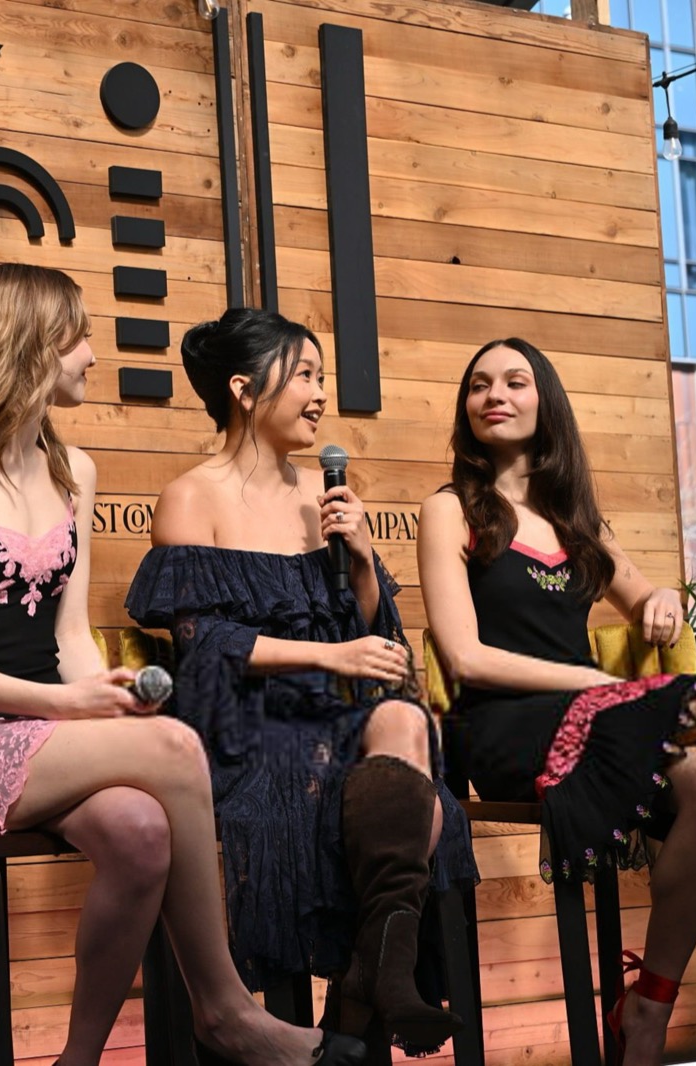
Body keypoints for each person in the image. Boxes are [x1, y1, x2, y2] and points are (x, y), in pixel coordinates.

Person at [0, 268, 365, 1066]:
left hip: (47, 733)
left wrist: (106, 698)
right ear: (29, 344)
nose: (91, 356)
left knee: (142, 834)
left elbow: (71, 635)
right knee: (177, 745)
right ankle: (225, 1010)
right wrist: (68, 705)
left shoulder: (74, 472)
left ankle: (77, 1060)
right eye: (77, 337)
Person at [125, 308, 478, 1055]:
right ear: (244, 389)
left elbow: (377, 636)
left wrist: (360, 556)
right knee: (371, 795)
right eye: (305, 376)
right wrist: (331, 658)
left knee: (408, 727)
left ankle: (370, 978)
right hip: (247, 721)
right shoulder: (192, 496)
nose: (320, 395)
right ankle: (365, 995)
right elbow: (203, 645)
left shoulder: (325, 493)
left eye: (323, 377)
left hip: (342, 710)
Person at [419, 337, 696, 1066]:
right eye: (479, 385)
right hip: (506, 727)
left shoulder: (575, 521)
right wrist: (595, 685)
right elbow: (464, 657)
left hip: (601, 722)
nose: (494, 395)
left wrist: (659, 597)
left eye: (515, 381)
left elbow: (644, 596)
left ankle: (647, 1011)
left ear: (545, 401)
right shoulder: (451, 509)